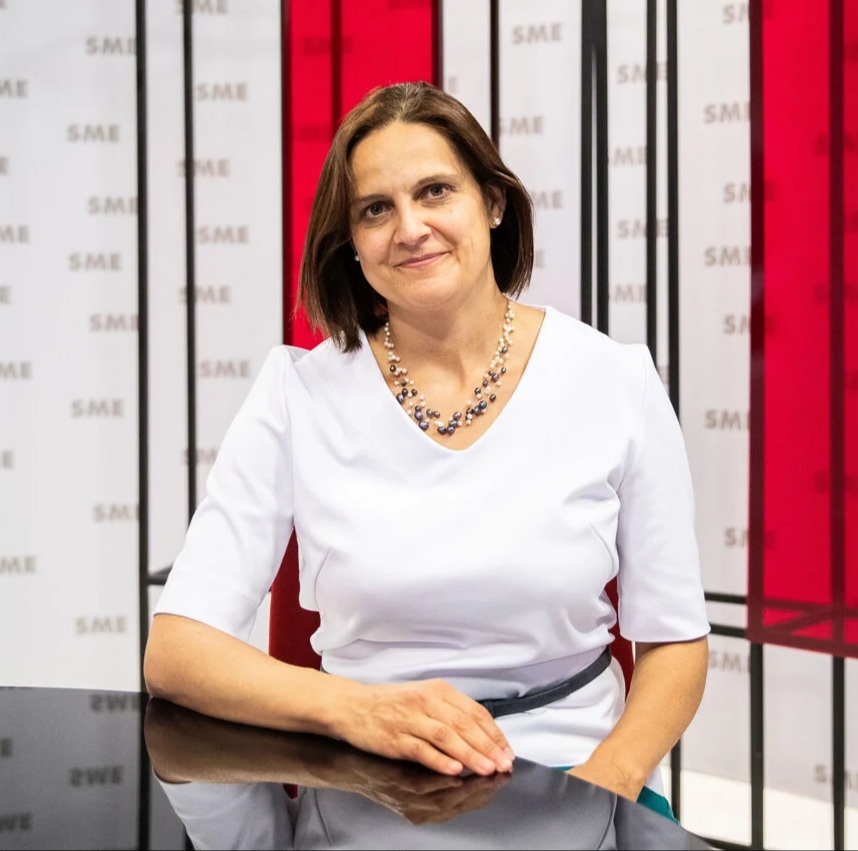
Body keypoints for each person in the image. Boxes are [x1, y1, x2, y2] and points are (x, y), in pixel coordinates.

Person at [144, 81, 710, 819]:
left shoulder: (616, 381)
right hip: (365, 783)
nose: (410, 228)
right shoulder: (295, 393)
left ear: (493, 202)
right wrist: (358, 712)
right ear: (351, 244)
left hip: (578, 770)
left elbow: (675, 643)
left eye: (435, 191)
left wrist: (606, 785)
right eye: (375, 209)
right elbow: (178, 651)